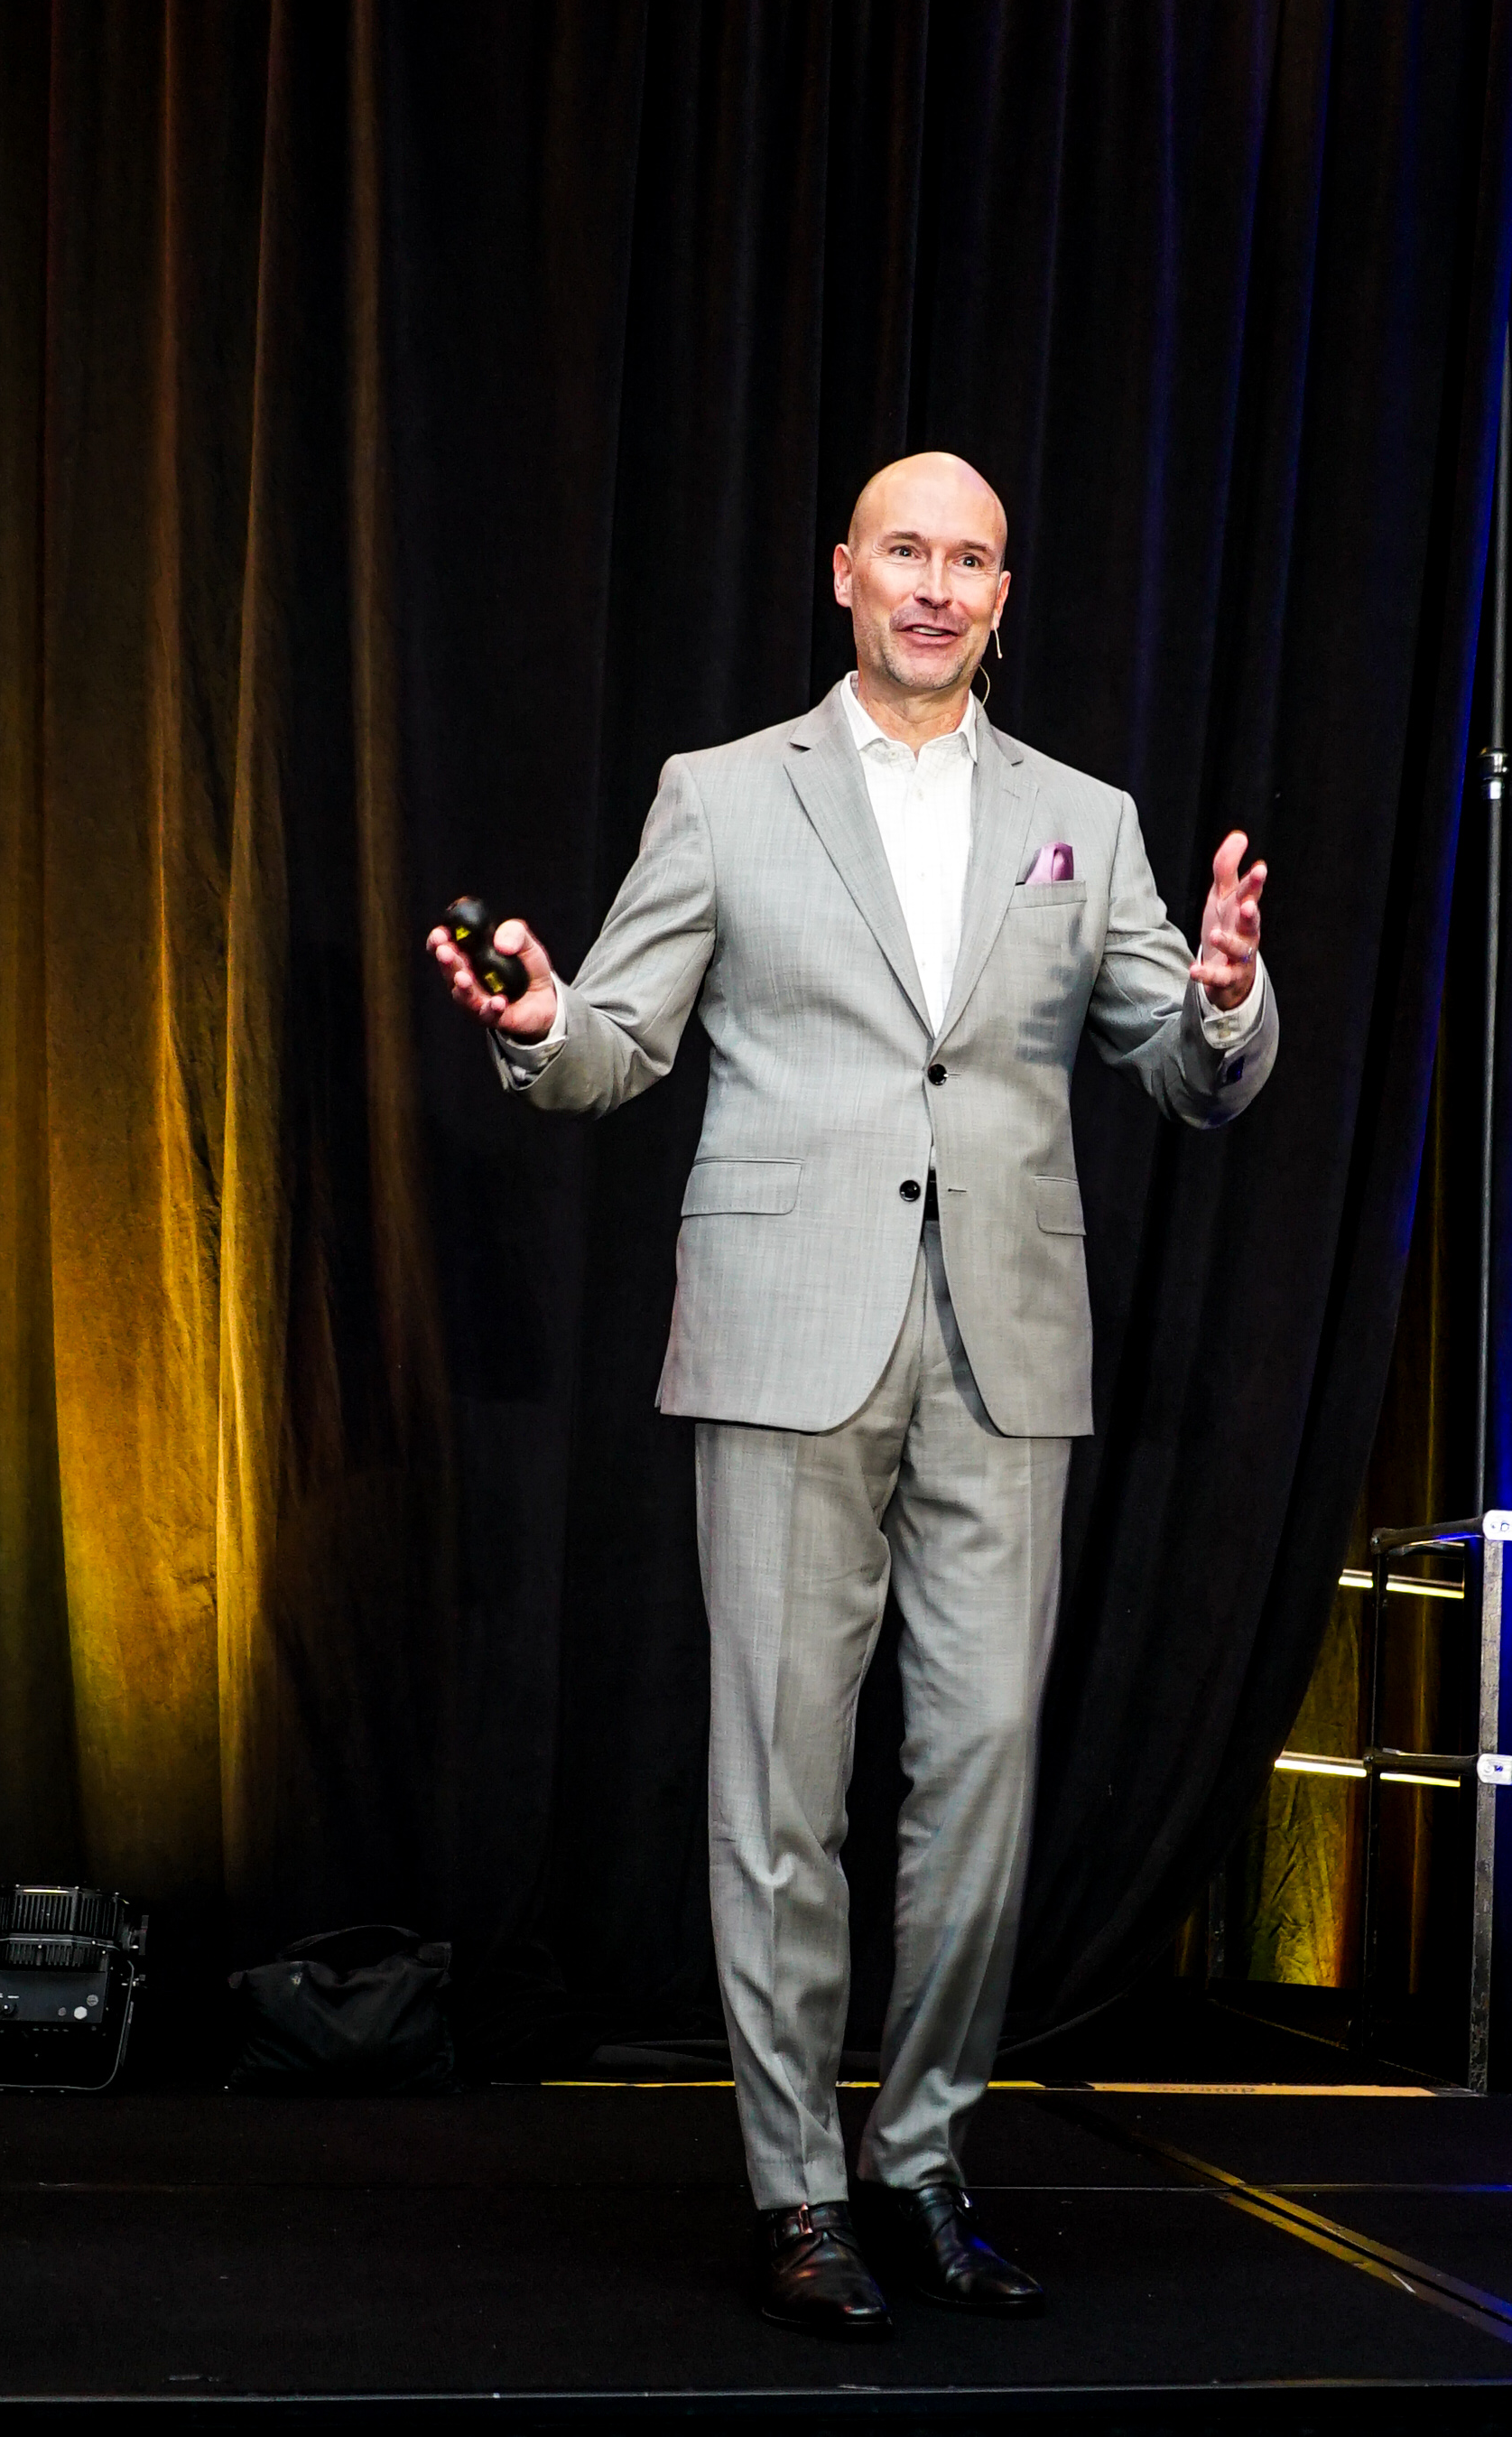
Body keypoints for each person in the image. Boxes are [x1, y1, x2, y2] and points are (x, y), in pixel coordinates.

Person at [429, 452, 1276, 2338]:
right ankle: (798, 2187)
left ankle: (924, 2155)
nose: (937, 584)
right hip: (786, 1326)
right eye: (907, 551)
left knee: (982, 1773)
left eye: (971, 559)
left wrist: (1225, 993)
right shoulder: (725, 792)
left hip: (1007, 1346)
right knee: (779, 1787)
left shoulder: (1084, 818)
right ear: (843, 573)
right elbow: (618, 1041)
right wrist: (543, 1024)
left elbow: (1184, 1064)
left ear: (1003, 597)